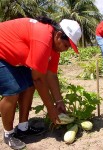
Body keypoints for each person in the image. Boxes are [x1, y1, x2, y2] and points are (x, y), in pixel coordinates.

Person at [0, 16, 81, 149]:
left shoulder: (54, 45)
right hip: (2, 52)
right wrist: (51, 109)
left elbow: (51, 75)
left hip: (14, 56)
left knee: (29, 86)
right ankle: (8, 134)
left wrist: (59, 102)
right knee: (12, 91)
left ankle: (23, 128)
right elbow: (39, 79)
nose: (66, 49)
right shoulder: (43, 38)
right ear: (59, 35)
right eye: (66, 45)